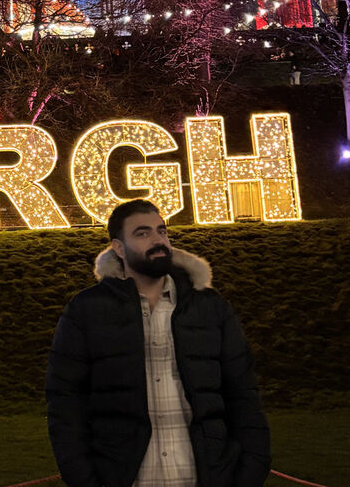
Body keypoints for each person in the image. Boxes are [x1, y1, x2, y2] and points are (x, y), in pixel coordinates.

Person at [46, 199, 270, 487]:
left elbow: (244, 395)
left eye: (161, 231)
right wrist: (84, 478)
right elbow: (65, 402)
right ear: (117, 247)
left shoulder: (211, 308)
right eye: (143, 233)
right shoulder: (86, 310)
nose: (158, 240)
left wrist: (250, 470)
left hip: (207, 476)